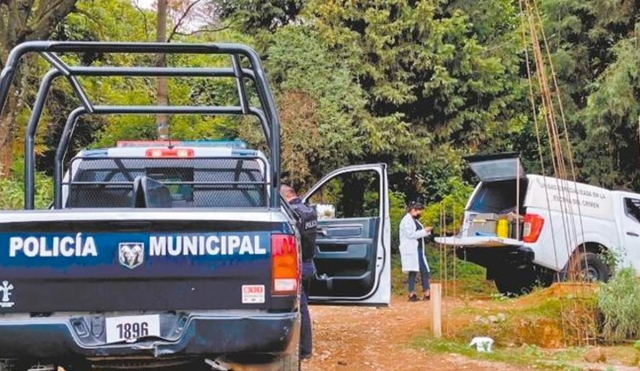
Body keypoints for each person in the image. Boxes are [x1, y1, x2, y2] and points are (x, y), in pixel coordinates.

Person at [280, 184, 318, 360]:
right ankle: (304, 349)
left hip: (299, 265)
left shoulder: (293, 213)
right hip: (309, 264)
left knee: (300, 309)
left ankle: (304, 350)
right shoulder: (308, 210)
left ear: (285, 197)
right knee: (304, 306)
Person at [398, 200, 433, 301]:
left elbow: (418, 233)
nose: (420, 214)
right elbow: (411, 235)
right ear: (413, 210)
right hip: (411, 249)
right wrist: (424, 231)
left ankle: (426, 293)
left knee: (423, 270)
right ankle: (412, 294)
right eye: (419, 212)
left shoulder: (415, 220)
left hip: (417, 248)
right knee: (414, 271)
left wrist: (425, 231)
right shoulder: (407, 220)